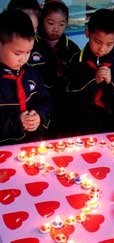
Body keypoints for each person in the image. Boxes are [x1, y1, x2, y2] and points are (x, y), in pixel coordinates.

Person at [66, 8, 114, 135]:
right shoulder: (75, 60)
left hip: (111, 124)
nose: (102, 48)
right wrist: (93, 81)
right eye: (97, 41)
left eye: (109, 44)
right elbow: (68, 94)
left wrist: (112, 82)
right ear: (87, 33)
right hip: (80, 123)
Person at [29, 0, 80, 137]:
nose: (56, 28)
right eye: (50, 23)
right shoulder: (31, 46)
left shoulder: (73, 49)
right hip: (39, 102)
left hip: (65, 103)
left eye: (61, 24)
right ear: (41, 21)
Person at [0, 9, 51, 145]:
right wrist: (17, 122)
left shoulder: (32, 73)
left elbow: (45, 100)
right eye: (17, 53)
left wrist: (38, 116)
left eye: (28, 52)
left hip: (32, 145)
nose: (23, 59)